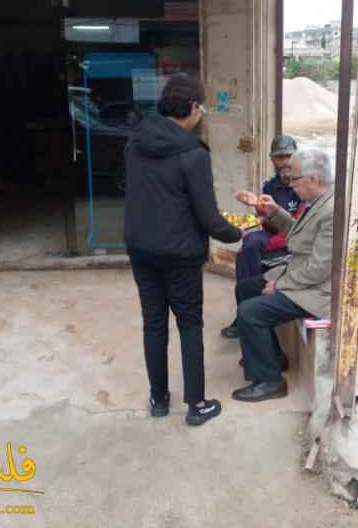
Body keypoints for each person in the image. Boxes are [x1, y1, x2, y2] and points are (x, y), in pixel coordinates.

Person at [124, 74, 244, 426]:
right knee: (190, 325)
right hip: (179, 254)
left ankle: (158, 399)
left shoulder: (134, 144)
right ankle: (197, 404)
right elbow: (208, 217)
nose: (201, 113)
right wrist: (239, 231)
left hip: (141, 249)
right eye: (201, 107)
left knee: (154, 323)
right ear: (193, 108)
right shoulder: (192, 154)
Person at [230, 148, 335, 402]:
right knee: (245, 288)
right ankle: (272, 358)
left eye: (295, 179)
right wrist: (274, 211)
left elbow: (319, 268)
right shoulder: (316, 202)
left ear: (312, 179)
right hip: (300, 273)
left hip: (317, 289)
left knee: (250, 312)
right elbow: (297, 234)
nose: (291, 184)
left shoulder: (331, 211)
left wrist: (280, 283)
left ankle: (269, 381)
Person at [219, 135, 301, 339]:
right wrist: (255, 209)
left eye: (287, 156)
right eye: (278, 157)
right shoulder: (270, 185)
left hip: (295, 238)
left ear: (295, 156)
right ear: (272, 159)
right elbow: (265, 219)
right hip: (273, 233)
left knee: (256, 243)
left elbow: (301, 225)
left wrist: (273, 232)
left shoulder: (303, 182)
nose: (283, 163)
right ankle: (244, 311)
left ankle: (251, 311)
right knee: (248, 245)